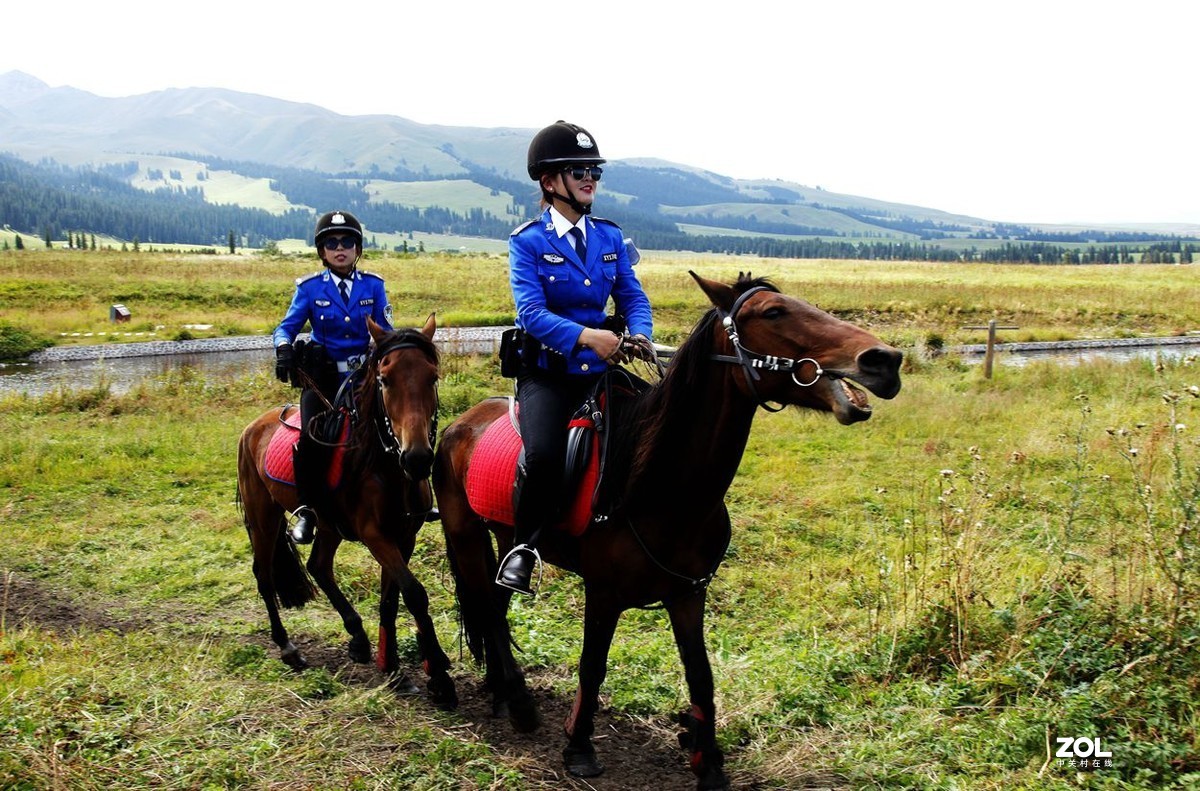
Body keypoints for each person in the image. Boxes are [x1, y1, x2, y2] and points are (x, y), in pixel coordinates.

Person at [497, 121, 654, 594]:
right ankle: (523, 549)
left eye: (594, 171)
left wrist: (640, 335)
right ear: (550, 182)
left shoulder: (610, 237)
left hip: (601, 370)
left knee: (654, 424)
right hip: (548, 374)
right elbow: (530, 314)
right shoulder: (527, 241)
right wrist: (588, 336)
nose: (590, 179)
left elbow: (633, 297)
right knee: (544, 454)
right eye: (578, 170)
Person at [273, 209, 393, 543]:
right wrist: (283, 347)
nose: (340, 248)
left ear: (357, 248)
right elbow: (286, 327)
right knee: (311, 438)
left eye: (346, 242)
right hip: (323, 380)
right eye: (331, 243)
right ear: (322, 252)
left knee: (398, 426)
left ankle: (412, 498)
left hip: (364, 379)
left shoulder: (374, 286)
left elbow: (385, 330)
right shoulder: (310, 289)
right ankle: (308, 510)